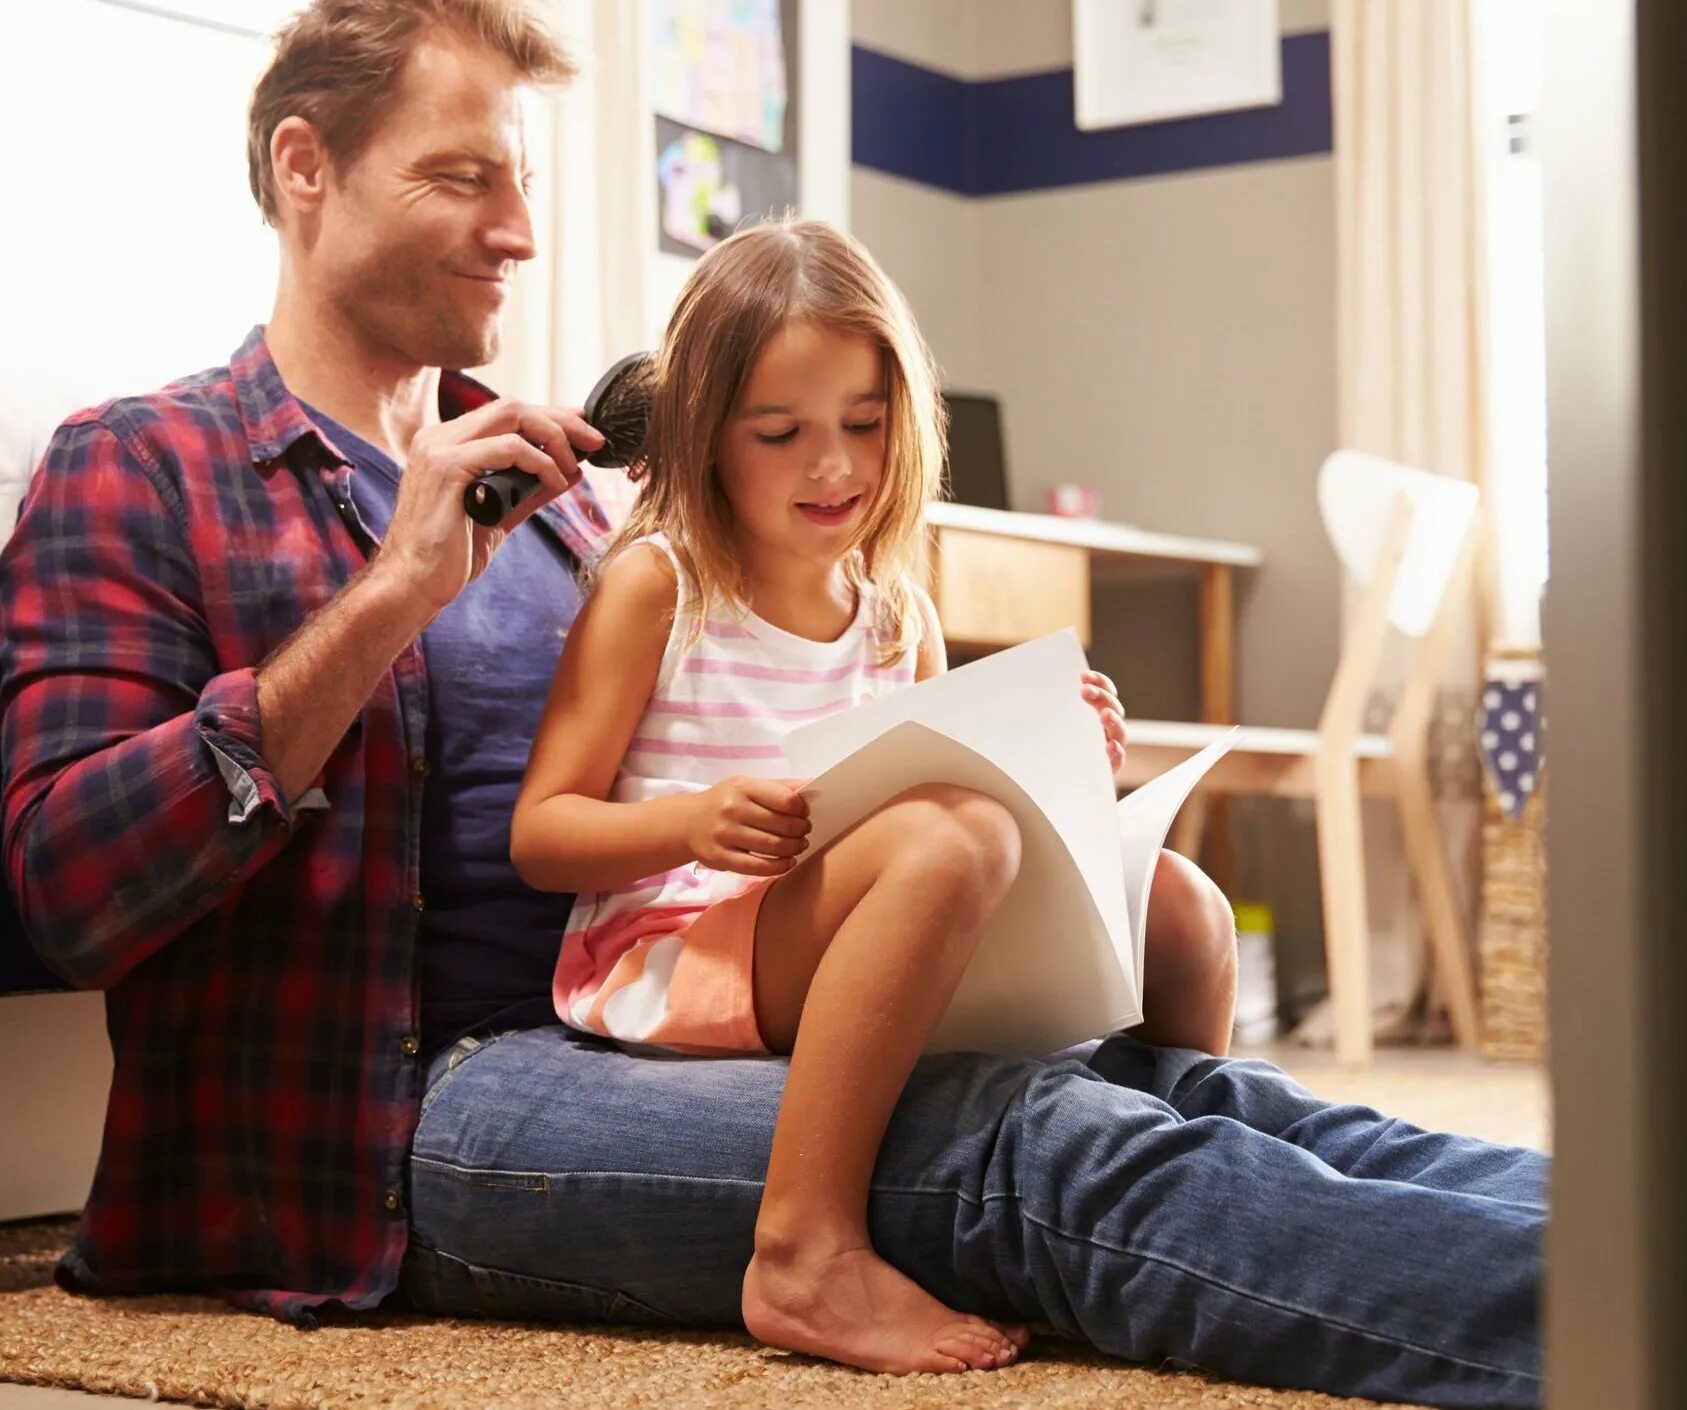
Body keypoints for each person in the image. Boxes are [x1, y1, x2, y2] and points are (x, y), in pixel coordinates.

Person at [0, 1, 1549, 1404]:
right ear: (306, 167)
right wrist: (393, 587)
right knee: (1036, 1151)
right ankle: (1630, 1334)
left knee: (1182, 1086)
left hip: (682, 1011)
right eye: (465, 177)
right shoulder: (138, 464)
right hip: (413, 1114)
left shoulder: (563, 505)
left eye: (523, 181)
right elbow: (73, 892)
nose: (521, 229)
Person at [510, 218, 1241, 1375]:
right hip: (676, 951)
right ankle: (802, 1249)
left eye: (864, 423)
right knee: (949, 844)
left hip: (861, 926)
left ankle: (1181, 1179)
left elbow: (962, 795)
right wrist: (689, 822)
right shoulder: (660, 586)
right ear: (706, 435)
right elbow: (543, 834)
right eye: (780, 433)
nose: (834, 466)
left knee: (1185, 909)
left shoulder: (898, 611)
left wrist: (1058, 751)